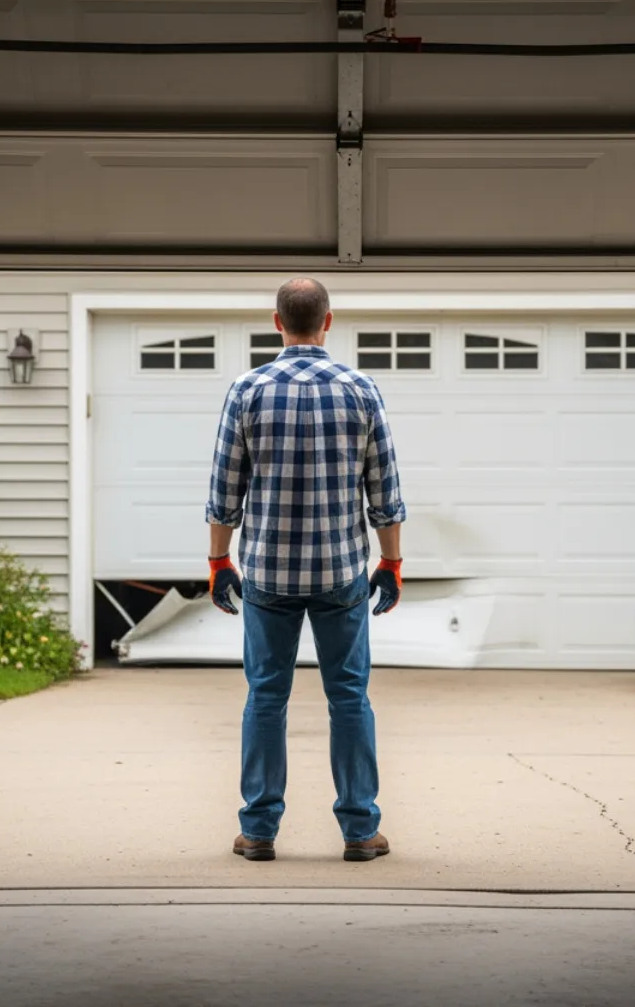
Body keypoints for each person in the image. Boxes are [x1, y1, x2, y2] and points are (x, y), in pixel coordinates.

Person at [204, 277, 407, 864]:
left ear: (277, 323)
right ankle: (360, 831)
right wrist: (391, 561)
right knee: (349, 697)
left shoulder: (247, 389)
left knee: (266, 697)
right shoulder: (360, 389)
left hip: (268, 574)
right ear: (328, 321)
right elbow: (384, 489)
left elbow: (224, 489)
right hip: (341, 572)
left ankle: (258, 831)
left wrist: (219, 560)